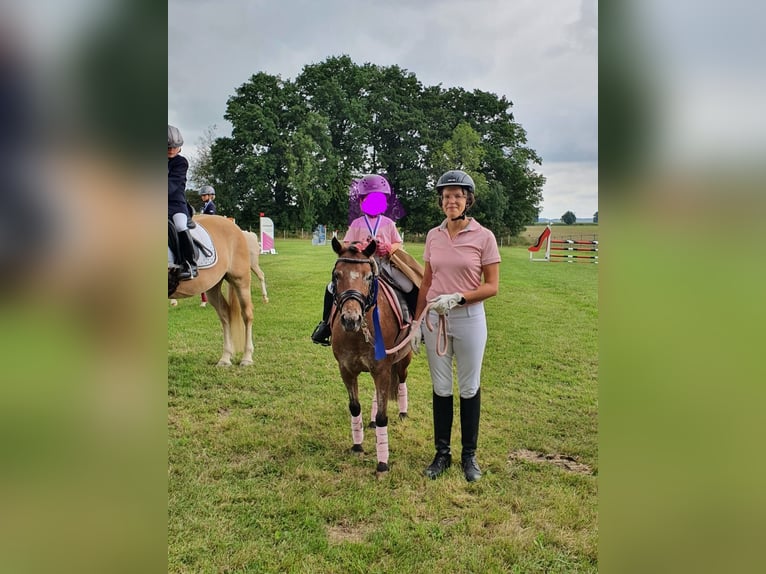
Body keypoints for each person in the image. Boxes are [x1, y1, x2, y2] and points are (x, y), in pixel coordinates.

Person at [414, 169, 501, 482]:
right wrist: (415, 322)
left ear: (468, 200)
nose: (452, 201)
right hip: (435, 320)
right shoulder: (433, 236)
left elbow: (492, 286)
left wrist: (460, 298)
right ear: (441, 201)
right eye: (447, 196)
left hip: (468, 319)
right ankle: (441, 454)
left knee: (468, 387)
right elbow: (426, 282)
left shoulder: (484, 237)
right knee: (441, 387)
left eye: (458, 196)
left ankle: (469, 456)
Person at [310, 173, 414, 346]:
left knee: (409, 285)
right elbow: (348, 244)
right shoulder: (357, 223)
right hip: (360, 266)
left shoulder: (389, 223)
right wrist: (358, 246)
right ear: (361, 202)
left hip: (384, 264)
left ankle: (416, 322)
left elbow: (398, 243)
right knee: (330, 288)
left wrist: (388, 247)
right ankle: (326, 325)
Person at [168, 124, 197, 280]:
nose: (172, 149)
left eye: (175, 147)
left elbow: (171, 186)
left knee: (179, 225)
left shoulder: (181, 162)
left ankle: (190, 264)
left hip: (175, 204)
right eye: (168, 147)